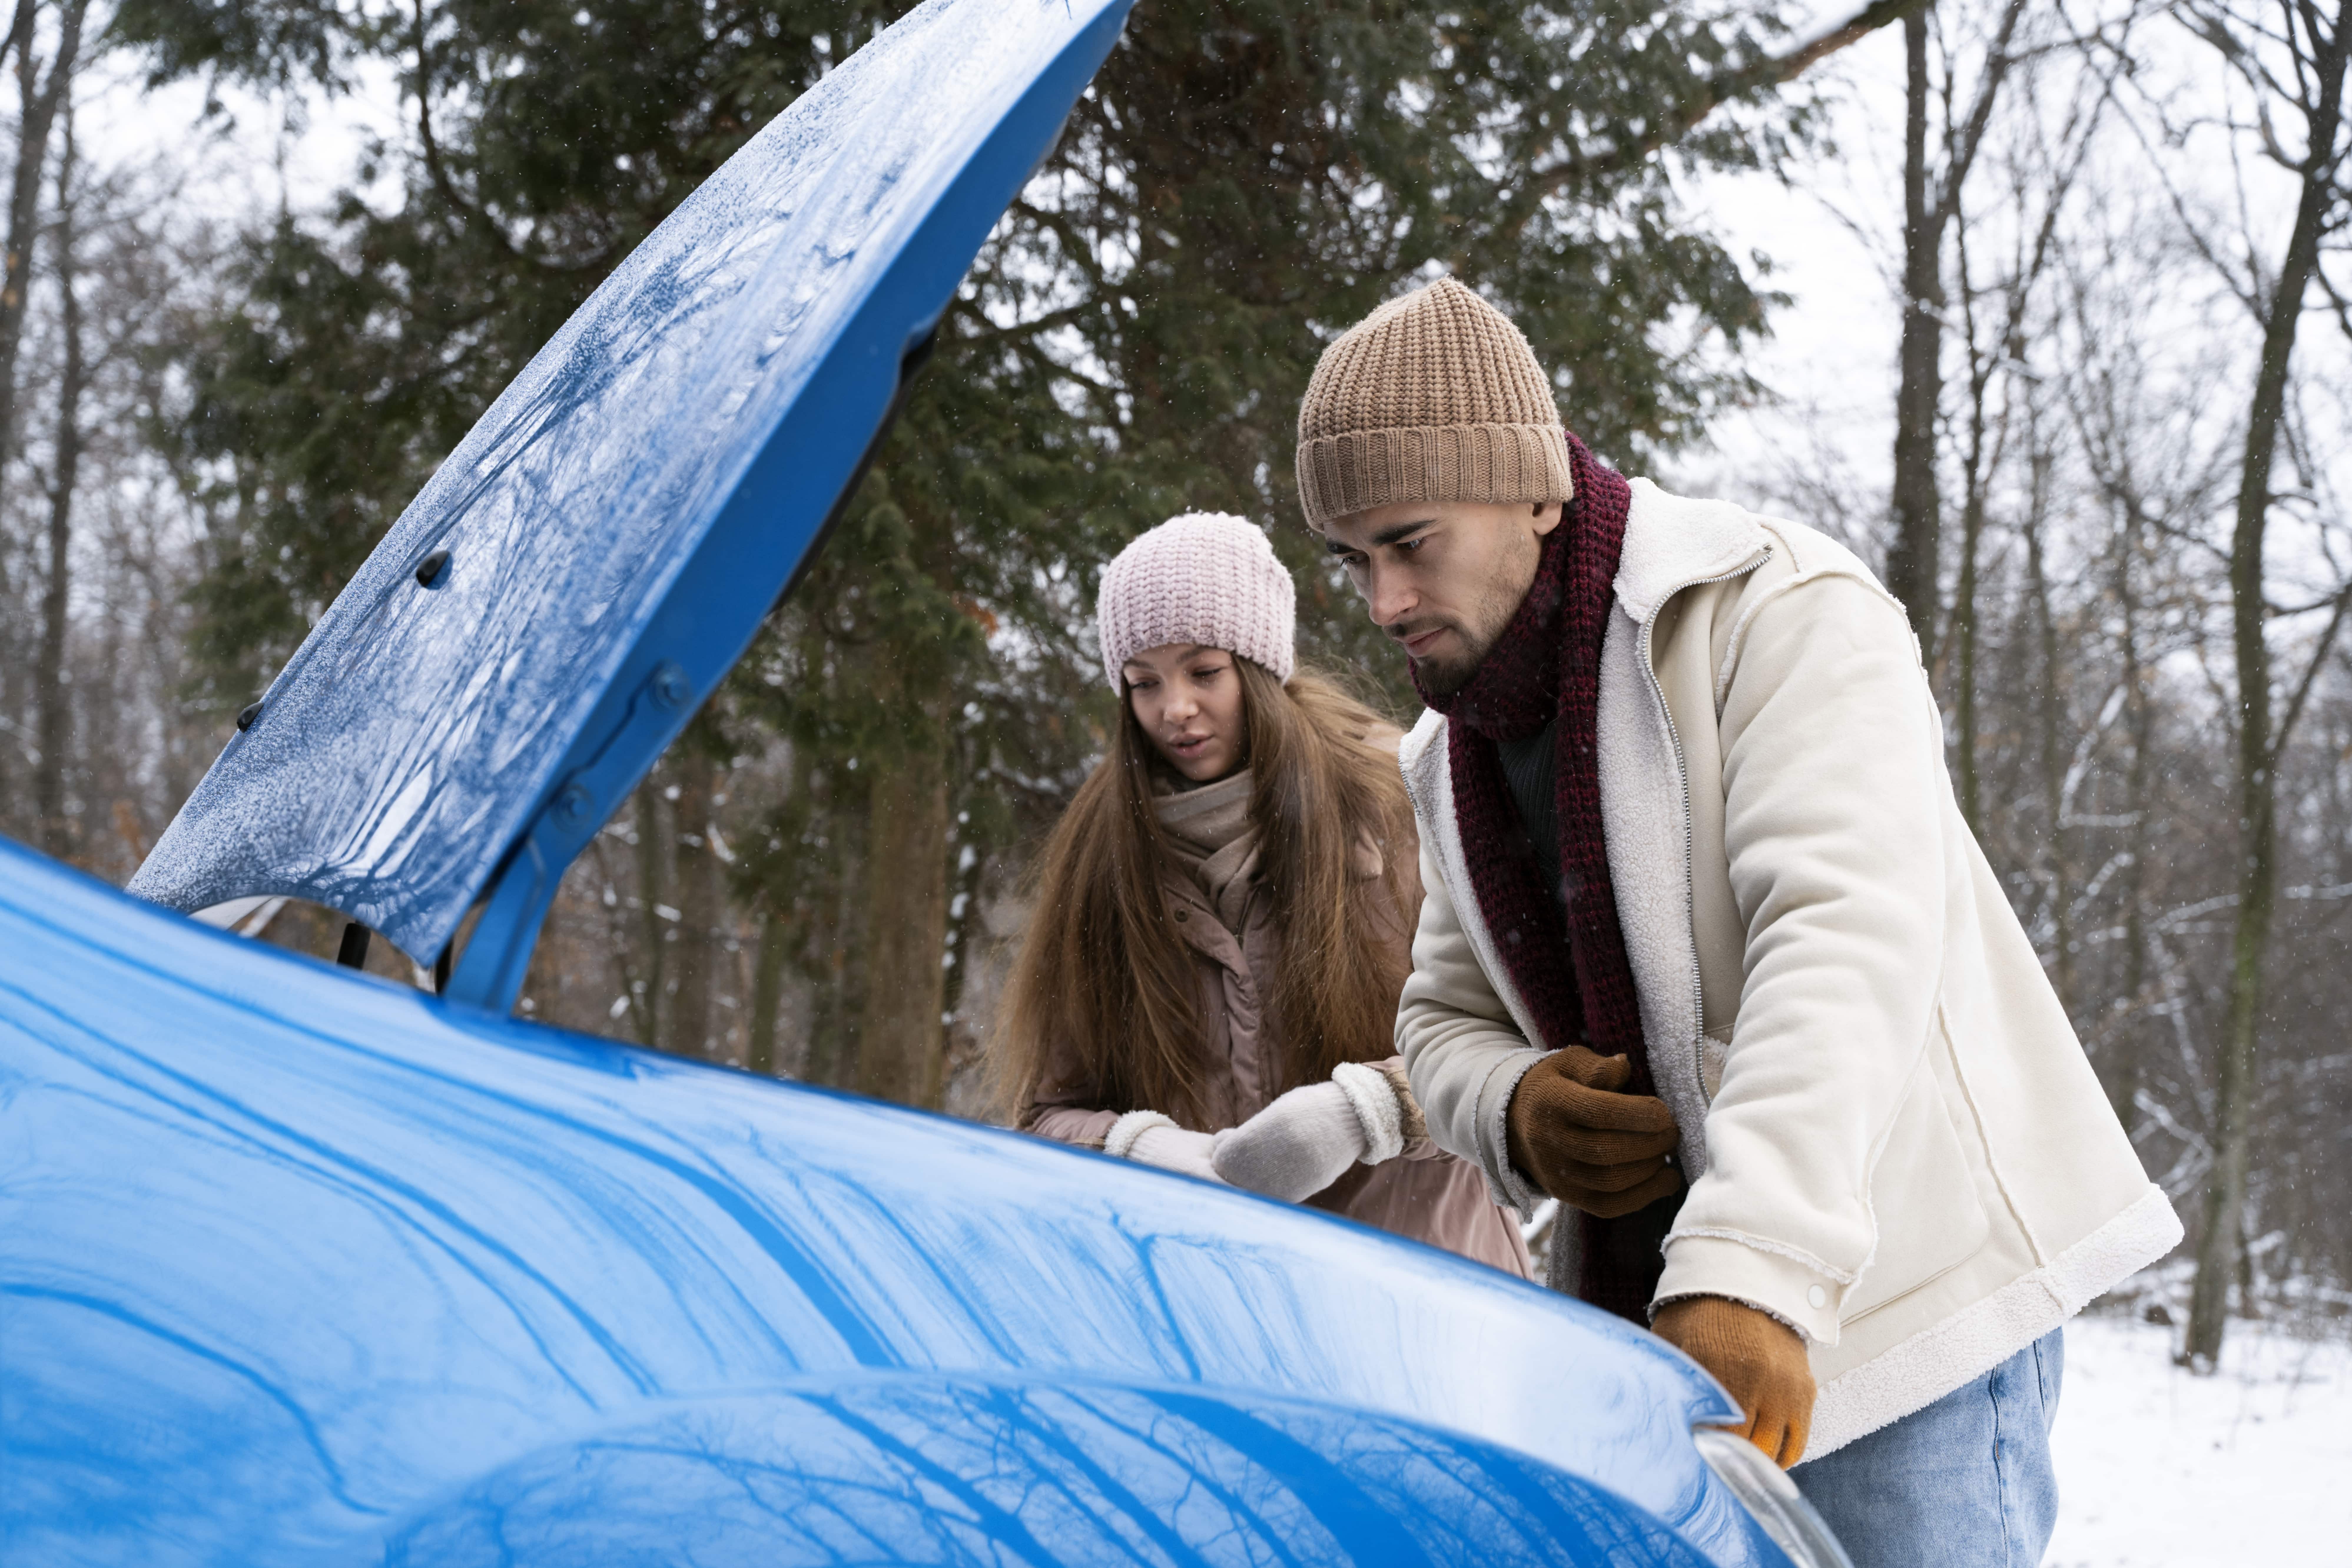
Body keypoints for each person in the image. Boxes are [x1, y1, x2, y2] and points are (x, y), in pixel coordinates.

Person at [1295, 279, 2179, 1565]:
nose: (1381, 601)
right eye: (1354, 559)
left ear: (1535, 492)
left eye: (1410, 542)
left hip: (1895, 1320)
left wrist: (1749, 1267)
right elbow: (1442, 1016)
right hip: (1658, 1341)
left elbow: (1842, 942)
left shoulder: (1780, 612)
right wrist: (1519, 1109)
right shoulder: (1452, 751)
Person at [996, 510, 1530, 1277]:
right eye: (1143, 684)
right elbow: (1047, 1112)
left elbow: (1519, 1033)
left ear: (1258, 666)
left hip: (1430, 1293)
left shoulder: (1402, 798)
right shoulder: (1104, 853)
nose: (1174, 709)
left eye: (1202, 672)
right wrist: (1143, 1149)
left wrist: (1369, 1113)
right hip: (1219, 1315)